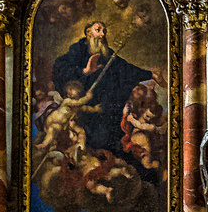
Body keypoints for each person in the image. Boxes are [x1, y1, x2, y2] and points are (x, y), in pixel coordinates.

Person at [50, 19, 154, 161]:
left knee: (111, 132)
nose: (102, 34)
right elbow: (60, 69)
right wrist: (84, 71)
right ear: (88, 33)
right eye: (98, 30)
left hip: (105, 105)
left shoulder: (107, 54)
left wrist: (150, 74)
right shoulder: (76, 50)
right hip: (84, 105)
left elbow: (125, 69)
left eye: (104, 31)